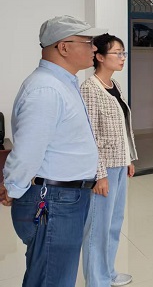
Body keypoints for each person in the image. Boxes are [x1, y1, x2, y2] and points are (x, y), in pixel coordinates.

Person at [1, 15, 106, 287]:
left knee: (52, 275)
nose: (95, 48)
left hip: (64, 197)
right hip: (54, 200)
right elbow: (28, 149)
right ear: (63, 47)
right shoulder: (46, 89)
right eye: (88, 42)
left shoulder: (62, 83)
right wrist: (13, 187)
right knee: (52, 279)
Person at [81, 33, 138, 287]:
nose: (123, 57)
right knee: (97, 229)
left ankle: (108, 272)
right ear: (100, 57)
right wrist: (99, 174)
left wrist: (128, 158)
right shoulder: (90, 89)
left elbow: (122, 127)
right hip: (103, 170)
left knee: (114, 224)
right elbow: (89, 135)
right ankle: (97, 281)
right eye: (118, 53)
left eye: (124, 53)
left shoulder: (115, 85)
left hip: (119, 164)